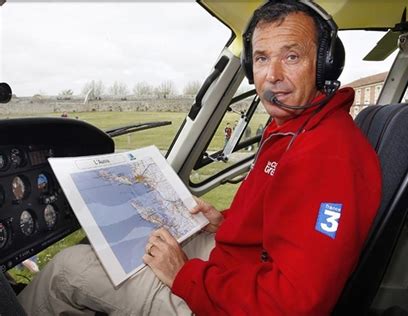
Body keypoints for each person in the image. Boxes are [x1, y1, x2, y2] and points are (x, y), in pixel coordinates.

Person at [18, 1, 382, 315]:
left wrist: (183, 275)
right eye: (261, 58)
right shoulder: (296, 128)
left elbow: (293, 305)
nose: (273, 76)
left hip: (231, 301)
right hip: (235, 269)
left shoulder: (327, 156)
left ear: (324, 65)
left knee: (67, 269)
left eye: (291, 56)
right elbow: (277, 230)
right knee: (140, 238)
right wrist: (223, 225)